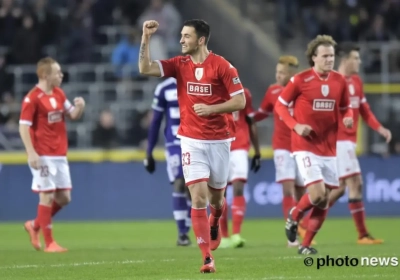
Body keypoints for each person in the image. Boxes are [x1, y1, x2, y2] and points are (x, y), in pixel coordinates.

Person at [138, 19, 245, 272]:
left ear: (201, 40)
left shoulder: (222, 66)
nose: (181, 40)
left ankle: (215, 219)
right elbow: (145, 68)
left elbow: (239, 101)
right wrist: (145, 37)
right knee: (198, 197)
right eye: (181, 35)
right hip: (190, 140)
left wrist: (211, 108)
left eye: (186, 36)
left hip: (219, 140)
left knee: (216, 199)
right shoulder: (179, 64)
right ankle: (207, 258)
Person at [298, 42, 391, 245]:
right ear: (345, 59)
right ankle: (363, 234)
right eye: (355, 58)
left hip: (348, 142)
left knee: (338, 188)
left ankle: (304, 223)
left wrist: (379, 128)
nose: (358, 62)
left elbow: (364, 110)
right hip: (338, 141)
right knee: (356, 183)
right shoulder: (333, 81)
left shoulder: (356, 82)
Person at [275, 35, 353, 255]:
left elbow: (347, 107)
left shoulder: (340, 81)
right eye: (325, 56)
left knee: (324, 199)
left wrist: (347, 117)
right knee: (317, 194)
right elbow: (281, 106)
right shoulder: (300, 80)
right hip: (305, 145)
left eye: (332, 55)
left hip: (328, 148)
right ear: (314, 58)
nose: (330, 59)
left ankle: (306, 244)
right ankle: (295, 215)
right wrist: (296, 126)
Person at [19, 57, 85, 252]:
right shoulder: (32, 98)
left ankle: (34, 225)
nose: (61, 75)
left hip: (59, 154)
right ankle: (50, 243)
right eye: (57, 72)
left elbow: (72, 114)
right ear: (45, 75)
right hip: (42, 154)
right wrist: (31, 152)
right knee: (46, 196)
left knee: (64, 198)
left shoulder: (58, 93)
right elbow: (23, 127)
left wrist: (80, 106)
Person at [253, 55, 306, 247]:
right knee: (287, 189)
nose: (277, 76)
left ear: (292, 74)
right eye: (277, 72)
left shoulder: (302, 91)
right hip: (282, 147)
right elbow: (262, 113)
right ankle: (291, 236)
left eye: (282, 73)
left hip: (302, 147)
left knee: (302, 192)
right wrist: (247, 117)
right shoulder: (273, 91)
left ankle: (302, 227)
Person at [144, 77, 192, 246]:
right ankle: (182, 233)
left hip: (195, 140)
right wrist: (149, 152)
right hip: (174, 143)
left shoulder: (198, 83)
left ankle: (188, 228)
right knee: (179, 182)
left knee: (193, 187)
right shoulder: (163, 88)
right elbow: (155, 121)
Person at [219, 66, 261, 249]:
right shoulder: (213, 93)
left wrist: (257, 151)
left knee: (238, 187)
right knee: (219, 193)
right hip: (220, 147)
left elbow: (250, 121)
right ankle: (224, 236)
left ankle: (236, 234)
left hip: (240, 147)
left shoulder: (245, 94)